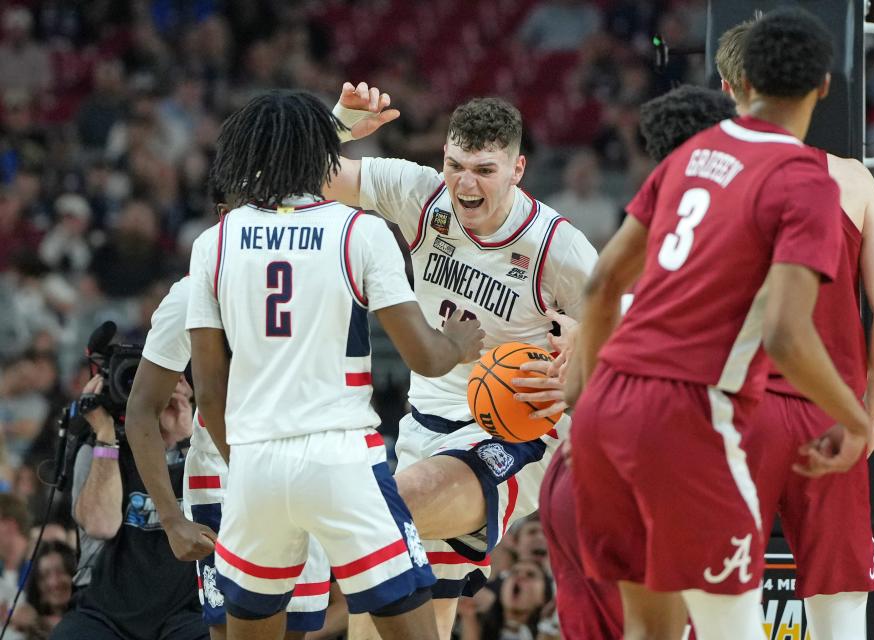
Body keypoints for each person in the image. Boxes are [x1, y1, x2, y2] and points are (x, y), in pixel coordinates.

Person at [566, 9, 871, 639]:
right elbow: (789, 335)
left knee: (652, 633)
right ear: (823, 86)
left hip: (606, 405)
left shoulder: (694, 152)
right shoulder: (804, 178)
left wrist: (583, 401)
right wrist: (856, 419)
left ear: (742, 83)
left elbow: (601, 286)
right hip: (687, 412)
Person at [186, 89, 483, 640]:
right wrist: (459, 343)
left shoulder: (214, 242)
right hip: (340, 457)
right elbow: (423, 355)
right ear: (324, 155)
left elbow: (208, 390)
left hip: (253, 463)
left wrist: (252, 460)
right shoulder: (358, 229)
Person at [323, 85, 597, 638]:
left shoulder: (557, 247)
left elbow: (632, 323)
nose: (465, 184)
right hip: (426, 421)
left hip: (518, 425)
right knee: (404, 614)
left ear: (517, 169)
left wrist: (585, 342)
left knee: (388, 504)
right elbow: (305, 177)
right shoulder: (421, 196)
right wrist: (338, 129)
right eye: (455, 165)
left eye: (484, 170)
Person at [716, 18, 874, 640]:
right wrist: (869, 416)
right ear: (817, 87)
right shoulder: (855, 179)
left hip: (737, 411)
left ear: (728, 86)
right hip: (830, 410)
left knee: (725, 598)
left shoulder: (705, 179)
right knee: (840, 606)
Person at [538, 84, 738, 640]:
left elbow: (601, 292)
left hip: (574, 467)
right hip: (646, 466)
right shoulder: (726, 223)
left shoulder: (648, 224)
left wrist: (592, 419)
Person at [125, 222, 339, 638]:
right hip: (225, 483)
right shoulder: (192, 292)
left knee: (297, 632)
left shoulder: (315, 268)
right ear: (226, 216)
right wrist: (171, 520)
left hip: (305, 474)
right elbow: (141, 409)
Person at [50, 373, 208, 640]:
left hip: (183, 609)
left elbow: (217, 522)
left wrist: (187, 439)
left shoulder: (200, 448)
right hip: (107, 610)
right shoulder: (98, 449)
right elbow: (102, 525)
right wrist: (105, 434)